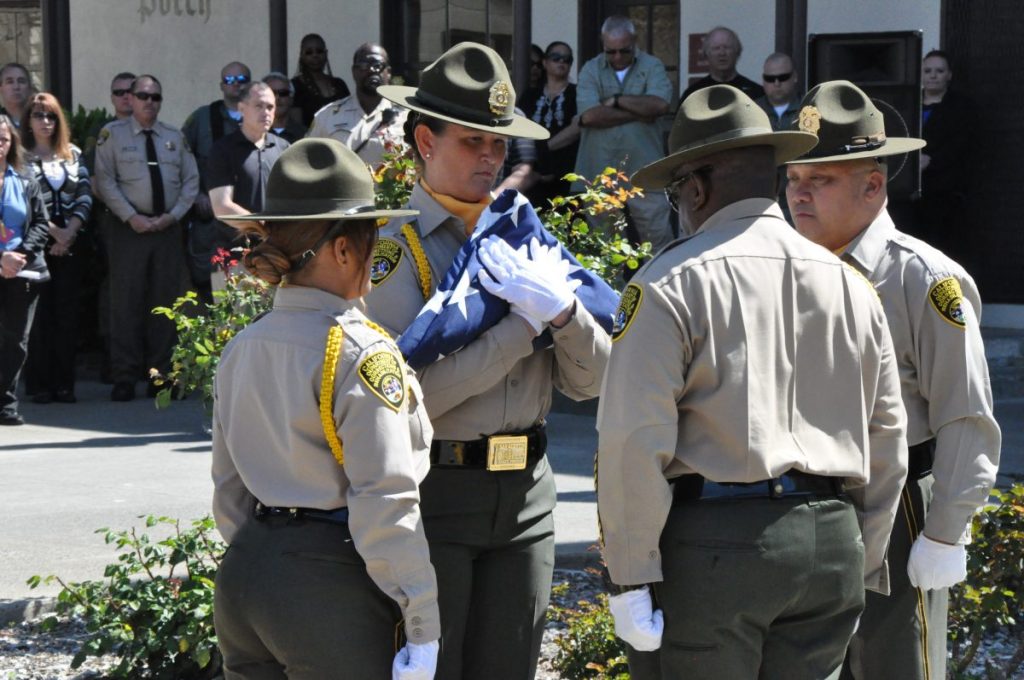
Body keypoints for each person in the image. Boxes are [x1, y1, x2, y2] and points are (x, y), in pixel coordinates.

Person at [596, 84, 909, 679]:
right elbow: (886, 434)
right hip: (831, 537)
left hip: (719, 546)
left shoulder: (669, 281)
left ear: (696, 187)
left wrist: (631, 574)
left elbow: (633, 438)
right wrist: (860, 552)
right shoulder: (848, 282)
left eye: (676, 191)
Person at [372, 42, 611, 679]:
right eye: (473, 141)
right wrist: (521, 328)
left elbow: (591, 384)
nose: (490, 158)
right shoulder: (394, 253)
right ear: (425, 141)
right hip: (437, 490)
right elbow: (407, 399)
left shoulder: (524, 240)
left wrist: (564, 317)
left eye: (499, 145)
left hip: (528, 493)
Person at [785, 80, 1001, 680]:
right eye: (794, 179)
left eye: (819, 180)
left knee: (894, 666)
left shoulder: (923, 278)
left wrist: (945, 533)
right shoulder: (788, 269)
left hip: (902, 501)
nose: (799, 195)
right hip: (808, 499)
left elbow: (965, 412)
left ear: (873, 185)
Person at [212, 137, 439, 679]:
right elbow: (386, 496)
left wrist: (269, 558)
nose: (376, 251)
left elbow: (229, 489)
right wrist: (423, 622)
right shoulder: (360, 350)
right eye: (372, 237)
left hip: (246, 576)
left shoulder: (245, 344)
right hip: (326, 583)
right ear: (342, 250)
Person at [93, 75, 199, 402]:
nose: (148, 102)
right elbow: (105, 181)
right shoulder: (112, 135)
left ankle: (161, 376)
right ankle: (124, 376)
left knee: (165, 305)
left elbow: (191, 180)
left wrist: (173, 216)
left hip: (167, 230)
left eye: (155, 97)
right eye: (142, 96)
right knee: (125, 304)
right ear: (131, 99)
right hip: (129, 231)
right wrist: (131, 216)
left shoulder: (173, 136)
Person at [575, 15, 674, 253]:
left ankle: (660, 291)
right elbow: (589, 116)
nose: (617, 57)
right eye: (611, 52)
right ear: (603, 44)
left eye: (624, 51)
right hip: (599, 172)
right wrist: (641, 112)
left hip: (645, 173)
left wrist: (616, 101)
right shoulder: (591, 69)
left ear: (635, 42)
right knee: (605, 249)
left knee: (659, 246)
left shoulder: (652, 66)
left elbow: (660, 105)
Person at [20, 93, 92, 405]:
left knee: (67, 316)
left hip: (71, 245)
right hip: (37, 244)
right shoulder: (20, 157)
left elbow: (85, 194)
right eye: (38, 116)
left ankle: (65, 384)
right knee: (40, 318)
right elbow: (25, 202)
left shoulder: (72, 154)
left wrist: (70, 232)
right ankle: (40, 385)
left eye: (51, 117)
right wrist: (54, 234)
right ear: (29, 121)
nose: (45, 122)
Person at [183, 61, 251, 297]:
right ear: (221, 85)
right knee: (208, 285)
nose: (236, 85)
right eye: (230, 80)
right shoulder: (202, 118)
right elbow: (183, 161)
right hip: (209, 221)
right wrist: (195, 195)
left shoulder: (257, 118)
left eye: (241, 80)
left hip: (246, 217)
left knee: (248, 286)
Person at [0, 114, 50, 426]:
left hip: (23, 270)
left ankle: (6, 404)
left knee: (16, 339)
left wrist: (18, 255)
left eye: (3, 139)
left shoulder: (25, 177)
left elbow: (41, 224)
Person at [306, 43, 407, 166]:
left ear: (388, 72)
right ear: (354, 71)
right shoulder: (327, 116)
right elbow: (307, 160)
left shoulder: (406, 118)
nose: (371, 70)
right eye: (364, 65)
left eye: (378, 65)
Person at [208, 81, 289, 231]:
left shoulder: (284, 148)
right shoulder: (223, 150)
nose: (266, 112)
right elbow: (222, 207)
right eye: (259, 106)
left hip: (277, 246)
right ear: (241, 108)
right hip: (235, 247)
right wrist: (261, 228)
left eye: (270, 107)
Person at [918, 50, 973, 254]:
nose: (933, 76)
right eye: (928, 70)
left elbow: (961, 145)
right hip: (907, 193)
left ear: (949, 75)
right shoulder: (907, 103)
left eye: (939, 71)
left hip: (943, 192)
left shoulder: (962, 107)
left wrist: (931, 161)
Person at [521, 41, 580, 207]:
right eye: (556, 57)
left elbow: (576, 129)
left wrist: (542, 149)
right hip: (533, 173)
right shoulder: (530, 95)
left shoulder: (577, 93)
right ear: (545, 63)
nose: (561, 62)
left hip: (566, 174)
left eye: (567, 59)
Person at [680, 27, 764, 104]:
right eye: (716, 48)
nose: (722, 53)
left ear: (737, 52)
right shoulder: (693, 95)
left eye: (727, 47)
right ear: (706, 54)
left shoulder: (756, 93)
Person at [292, 33, 351, 126]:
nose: (315, 55)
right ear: (302, 56)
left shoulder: (339, 84)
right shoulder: (296, 85)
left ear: (326, 53)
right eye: (309, 52)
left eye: (319, 51)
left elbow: (350, 115)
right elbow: (297, 125)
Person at [261, 71, 306, 142]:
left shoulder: (305, 135)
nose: (277, 98)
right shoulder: (252, 133)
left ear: (291, 98)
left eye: (283, 93)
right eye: (271, 93)